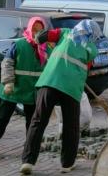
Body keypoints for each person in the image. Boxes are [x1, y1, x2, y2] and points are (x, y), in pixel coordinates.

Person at [20, 19, 100, 175]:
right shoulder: (92, 49)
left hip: (51, 81)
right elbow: (88, 68)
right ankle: (67, 164)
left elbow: (43, 36)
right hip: (71, 88)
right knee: (71, 126)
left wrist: (39, 41)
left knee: (38, 121)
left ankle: (28, 162)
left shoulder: (64, 33)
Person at [0, 17, 49, 155]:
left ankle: (31, 145)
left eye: (40, 30)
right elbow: (7, 63)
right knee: (2, 117)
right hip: (13, 87)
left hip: (33, 90)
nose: (37, 32)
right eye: (34, 29)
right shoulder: (19, 44)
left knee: (32, 121)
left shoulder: (45, 48)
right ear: (29, 29)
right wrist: (8, 82)